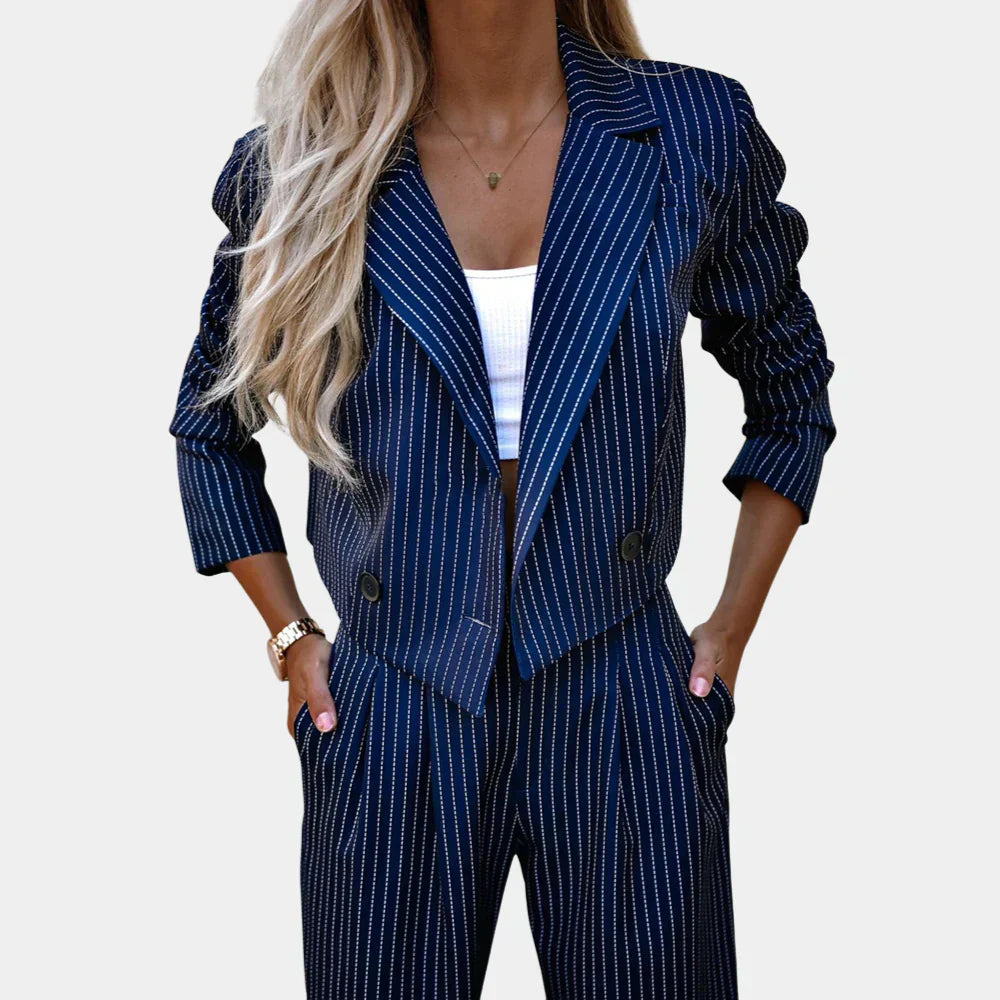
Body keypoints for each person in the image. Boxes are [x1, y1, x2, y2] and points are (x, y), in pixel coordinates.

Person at [168, 2, 836, 997]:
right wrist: (292, 637)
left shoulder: (692, 132)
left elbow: (790, 393)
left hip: (623, 682)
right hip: (393, 698)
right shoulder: (299, 165)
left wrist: (729, 630)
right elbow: (209, 429)